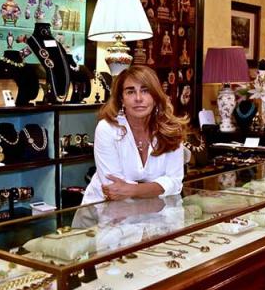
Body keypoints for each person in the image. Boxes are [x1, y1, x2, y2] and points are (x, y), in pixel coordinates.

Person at [81, 65, 188, 204]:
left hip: (153, 210)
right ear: (121, 99)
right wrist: (157, 187)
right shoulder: (106, 128)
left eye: (145, 91)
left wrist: (132, 190)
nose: (138, 98)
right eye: (130, 92)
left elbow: (175, 183)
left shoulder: (172, 130)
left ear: (155, 97)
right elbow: (113, 188)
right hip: (102, 209)